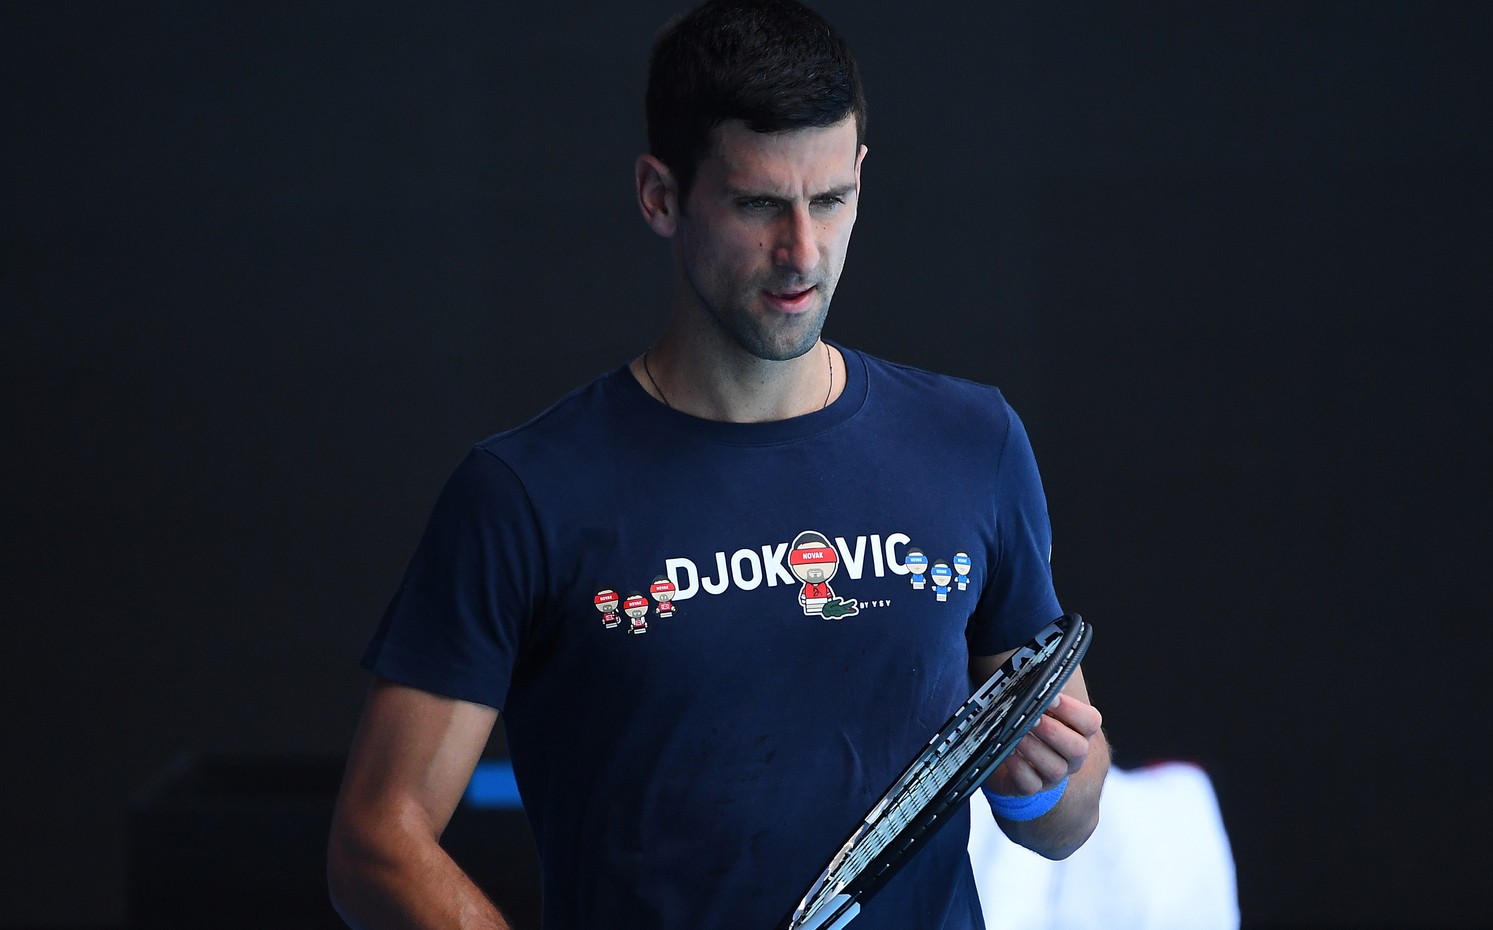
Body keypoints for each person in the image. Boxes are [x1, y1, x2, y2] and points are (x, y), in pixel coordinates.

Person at [326, 1, 1109, 929]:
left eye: (830, 200)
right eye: (757, 205)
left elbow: (1065, 819)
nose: (802, 253)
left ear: (861, 176)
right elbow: (378, 838)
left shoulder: (972, 441)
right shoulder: (526, 496)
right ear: (661, 196)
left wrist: (1044, 781)